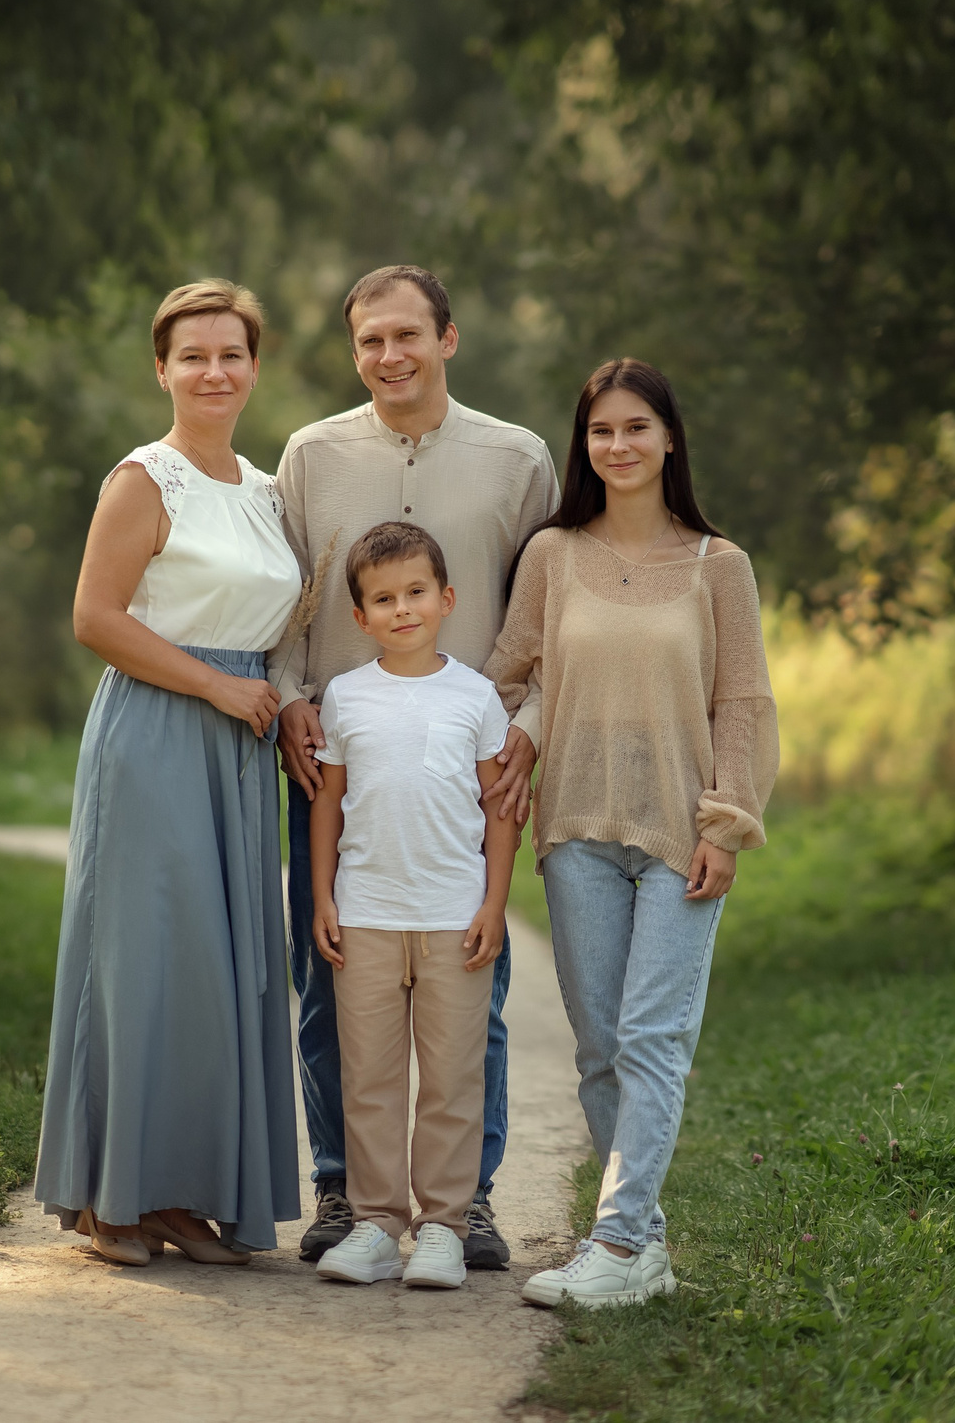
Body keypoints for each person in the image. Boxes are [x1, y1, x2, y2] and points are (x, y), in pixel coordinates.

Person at [268, 265, 559, 1269]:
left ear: (448, 337)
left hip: (468, 749)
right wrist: (289, 694)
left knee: (467, 979)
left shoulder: (516, 458)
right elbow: (285, 596)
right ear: (354, 351)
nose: (388, 356)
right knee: (331, 973)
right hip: (335, 752)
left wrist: (530, 718)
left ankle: (462, 1201)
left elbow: (546, 606)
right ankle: (346, 1191)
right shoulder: (308, 454)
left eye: (406, 335)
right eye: (368, 341)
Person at [486, 357, 779, 1308]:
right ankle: (641, 1247)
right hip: (574, 829)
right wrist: (517, 739)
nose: (618, 446)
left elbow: (741, 702)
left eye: (636, 428)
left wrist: (728, 822)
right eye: (602, 431)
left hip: (680, 832)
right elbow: (512, 679)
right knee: (601, 1048)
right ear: (586, 444)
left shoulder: (717, 565)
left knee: (653, 1038)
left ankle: (613, 1245)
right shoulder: (552, 555)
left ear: (669, 439)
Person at [32, 280, 302, 1268]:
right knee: (142, 960)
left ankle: (188, 1193)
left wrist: (267, 700)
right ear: (161, 368)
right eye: (193, 355)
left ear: (254, 366)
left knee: (220, 971)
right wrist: (214, 689)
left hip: (241, 739)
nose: (214, 371)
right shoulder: (144, 478)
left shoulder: (270, 489)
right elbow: (96, 617)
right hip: (157, 725)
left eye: (231, 353)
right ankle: (115, 1195)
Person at [306, 522, 518, 1290]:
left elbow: (500, 809)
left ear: (447, 600)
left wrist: (495, 903)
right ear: (359, 618)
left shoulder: (476, 697)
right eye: (384, 599)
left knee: (454, 1078)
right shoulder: (345, 697)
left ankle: (444, 1228)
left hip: (454, 916)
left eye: (416, 593)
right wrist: (323, 897)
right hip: (364, 914)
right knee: (369, 1077)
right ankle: (373, 1224)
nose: (403, 610)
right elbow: (328, 804)